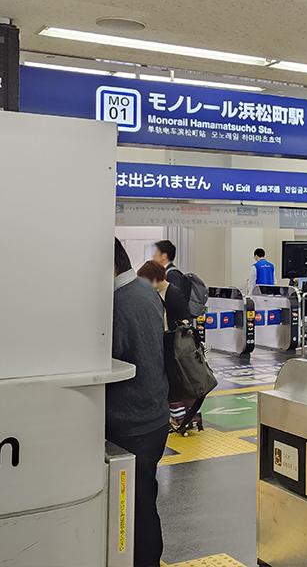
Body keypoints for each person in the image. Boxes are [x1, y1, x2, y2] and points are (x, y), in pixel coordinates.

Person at [109, 239, 169, 567]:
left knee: (139, 510)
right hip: (155, 418)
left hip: (131, 424)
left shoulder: (116, 303)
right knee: (144, 502)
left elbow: (111, 358)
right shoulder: (146, 291)